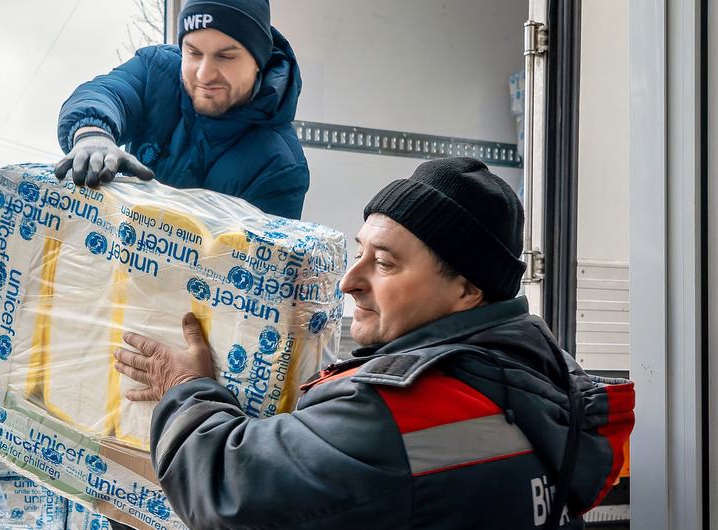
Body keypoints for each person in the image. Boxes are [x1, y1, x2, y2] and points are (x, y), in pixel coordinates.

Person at [112, 157, 636, 529]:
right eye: (359, 251)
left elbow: (224, 485)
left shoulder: (400, 413)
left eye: (384, 263)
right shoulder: (540, 374)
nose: (349, 281)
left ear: (467, 288)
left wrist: (185, 386)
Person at [55, 0, 309, 219]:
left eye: (226, 56)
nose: (204, 74)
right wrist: (92, 134)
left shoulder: (280, 167)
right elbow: (106, 92)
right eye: (194, 53)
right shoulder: (157, 71)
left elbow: (262, 267)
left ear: (259, 61)